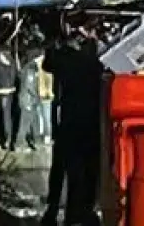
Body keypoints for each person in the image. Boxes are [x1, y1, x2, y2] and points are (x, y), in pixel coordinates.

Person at [41, 23, 105, 226]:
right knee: (86, 172)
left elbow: (48, 64)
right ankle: (80, 212)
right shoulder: (97, 65)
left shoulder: (69, 60)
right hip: (91, 125)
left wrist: (55, 43)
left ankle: (54, 210)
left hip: (69, 123)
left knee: (63, 169)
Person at [13, 51, 44, 151]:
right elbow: (30, 86)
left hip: (30, 100)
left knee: (34, 122)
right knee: (25, 123)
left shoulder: (30, 67)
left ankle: (36, 141)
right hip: (28, 101)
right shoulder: (30, 69)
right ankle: (19, 144)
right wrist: (37, 96)